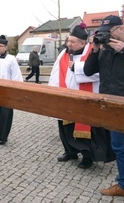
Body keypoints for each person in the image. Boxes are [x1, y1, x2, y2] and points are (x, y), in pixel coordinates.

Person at [84, 15, 124, 203]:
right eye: (102, 33)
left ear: (120, 29)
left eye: (108, 32)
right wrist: (94, 50)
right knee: (119, 148)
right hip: (112, 106)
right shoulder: (104, 49)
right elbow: (88, 71)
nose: (105, 36)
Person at [49, 23, 115, 169]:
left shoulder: (93, 52)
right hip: (66, 97)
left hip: (86, 99)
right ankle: (70, 151)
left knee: (87, 129)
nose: (69, 44)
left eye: (72, 42)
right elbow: (56, 72)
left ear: (83, 43)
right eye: (68, 41)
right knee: (65, 127)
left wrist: (76, 68)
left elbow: (98, 73)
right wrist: (52, 92)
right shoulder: (63, 53)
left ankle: (87, 157)